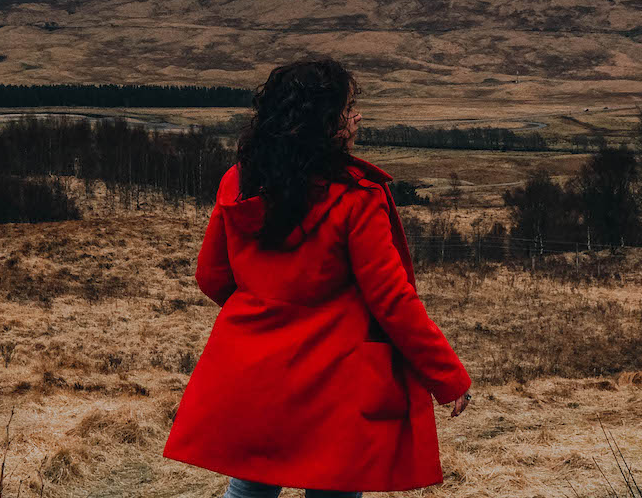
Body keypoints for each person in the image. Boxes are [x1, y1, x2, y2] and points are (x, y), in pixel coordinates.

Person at [163, 59, 473, 497]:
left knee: (251, 487)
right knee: (334, 487)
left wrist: (264, 314)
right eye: (348, 109)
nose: (357, 117)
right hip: (336, 383)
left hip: (256, 370)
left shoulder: (238, 181)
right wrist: (447, 378)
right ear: (324, 123)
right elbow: (391, 300)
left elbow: (211, 276)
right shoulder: (356, 198)